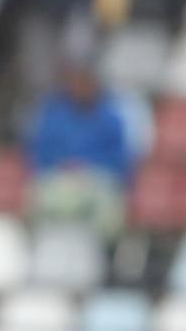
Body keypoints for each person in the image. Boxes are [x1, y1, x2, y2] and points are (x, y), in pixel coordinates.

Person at [26, 57, 133, 236]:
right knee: (37, 197)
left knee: (108, 207)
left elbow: (119, 160)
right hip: (59, 177)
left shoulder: (111, 119)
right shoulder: (54, 117)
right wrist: (63, 166)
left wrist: (87, 167)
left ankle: (103, 253)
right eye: (77, 82)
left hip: (96, 180)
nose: (81, 87)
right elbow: (40, 152)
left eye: (86, 82)